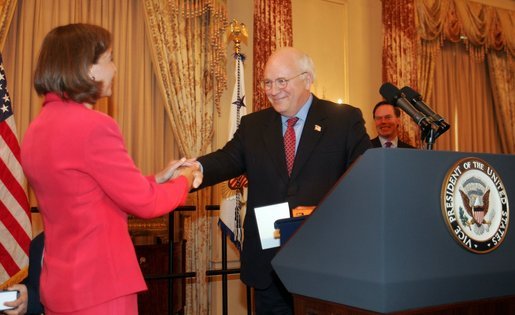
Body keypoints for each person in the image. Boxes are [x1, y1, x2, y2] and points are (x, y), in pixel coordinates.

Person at [20, 23, 201, 315]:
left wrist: (157, 178)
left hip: (60, 289)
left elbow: (88, 193)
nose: (115, 68)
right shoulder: (94, 126)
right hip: (100, 290)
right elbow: (146, 202)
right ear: (88, 69)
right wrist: (184, 179)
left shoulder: (36, 129)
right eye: (110, 59)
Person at [196, 47, 371, 314]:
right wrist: (193, 169)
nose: (273, 90)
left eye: (281, 81)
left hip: (324, 262)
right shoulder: (254, 126)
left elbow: (363, 180)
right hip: (268, 265)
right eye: (267, 82)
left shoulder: (343, 120)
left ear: (307, 79)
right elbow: (226, 159)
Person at [4, 233, 45, 315]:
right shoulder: (38, 243)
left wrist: (32, 301)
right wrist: (15, 296)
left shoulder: (75, 243)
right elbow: (33, 283)